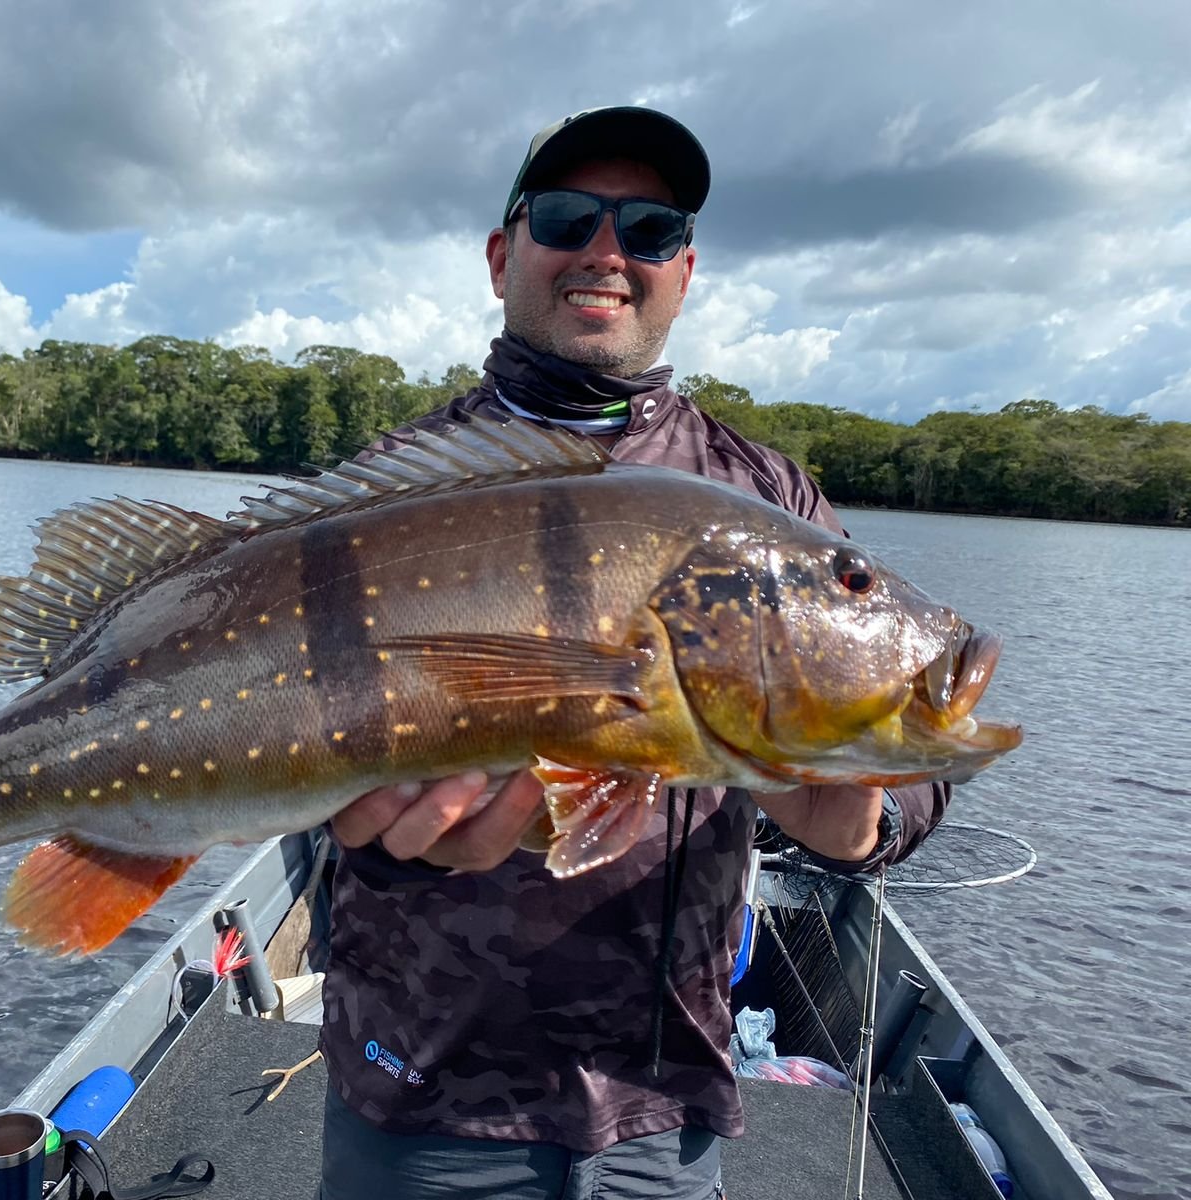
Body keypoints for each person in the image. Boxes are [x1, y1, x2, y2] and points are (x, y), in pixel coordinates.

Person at [313, 106, 950, 1200]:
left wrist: (861, 815)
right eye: (568, 218)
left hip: (663, 1107)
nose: (608, 253)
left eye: (650, 230)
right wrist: (385, 845)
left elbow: (915, 752)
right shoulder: (400, 484)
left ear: (684, 270)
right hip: (423, 1096)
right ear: (502, 254)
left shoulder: (767, 497)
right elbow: (289, 741)